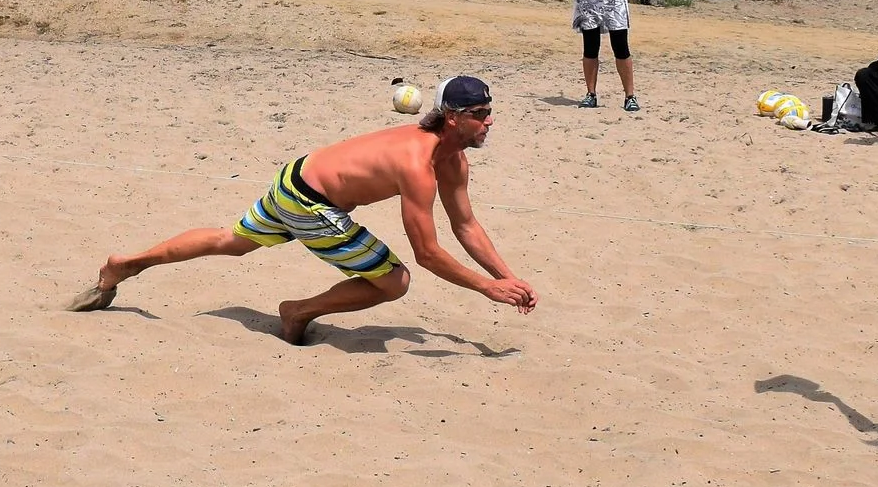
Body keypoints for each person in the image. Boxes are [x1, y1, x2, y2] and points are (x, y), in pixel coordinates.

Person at [72, 75, 538, 345]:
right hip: (311, 204)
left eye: (489, 110)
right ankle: (297, 311)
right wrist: (486, 289)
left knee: (229, 242)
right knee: (394, 282)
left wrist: (506, 276)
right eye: (480, 113)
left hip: (295, 175)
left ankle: (124, 264)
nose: (489, 120)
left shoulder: (452, 159)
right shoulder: (416, 164)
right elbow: (428, 253)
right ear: (453, 117)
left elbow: (466, 225)